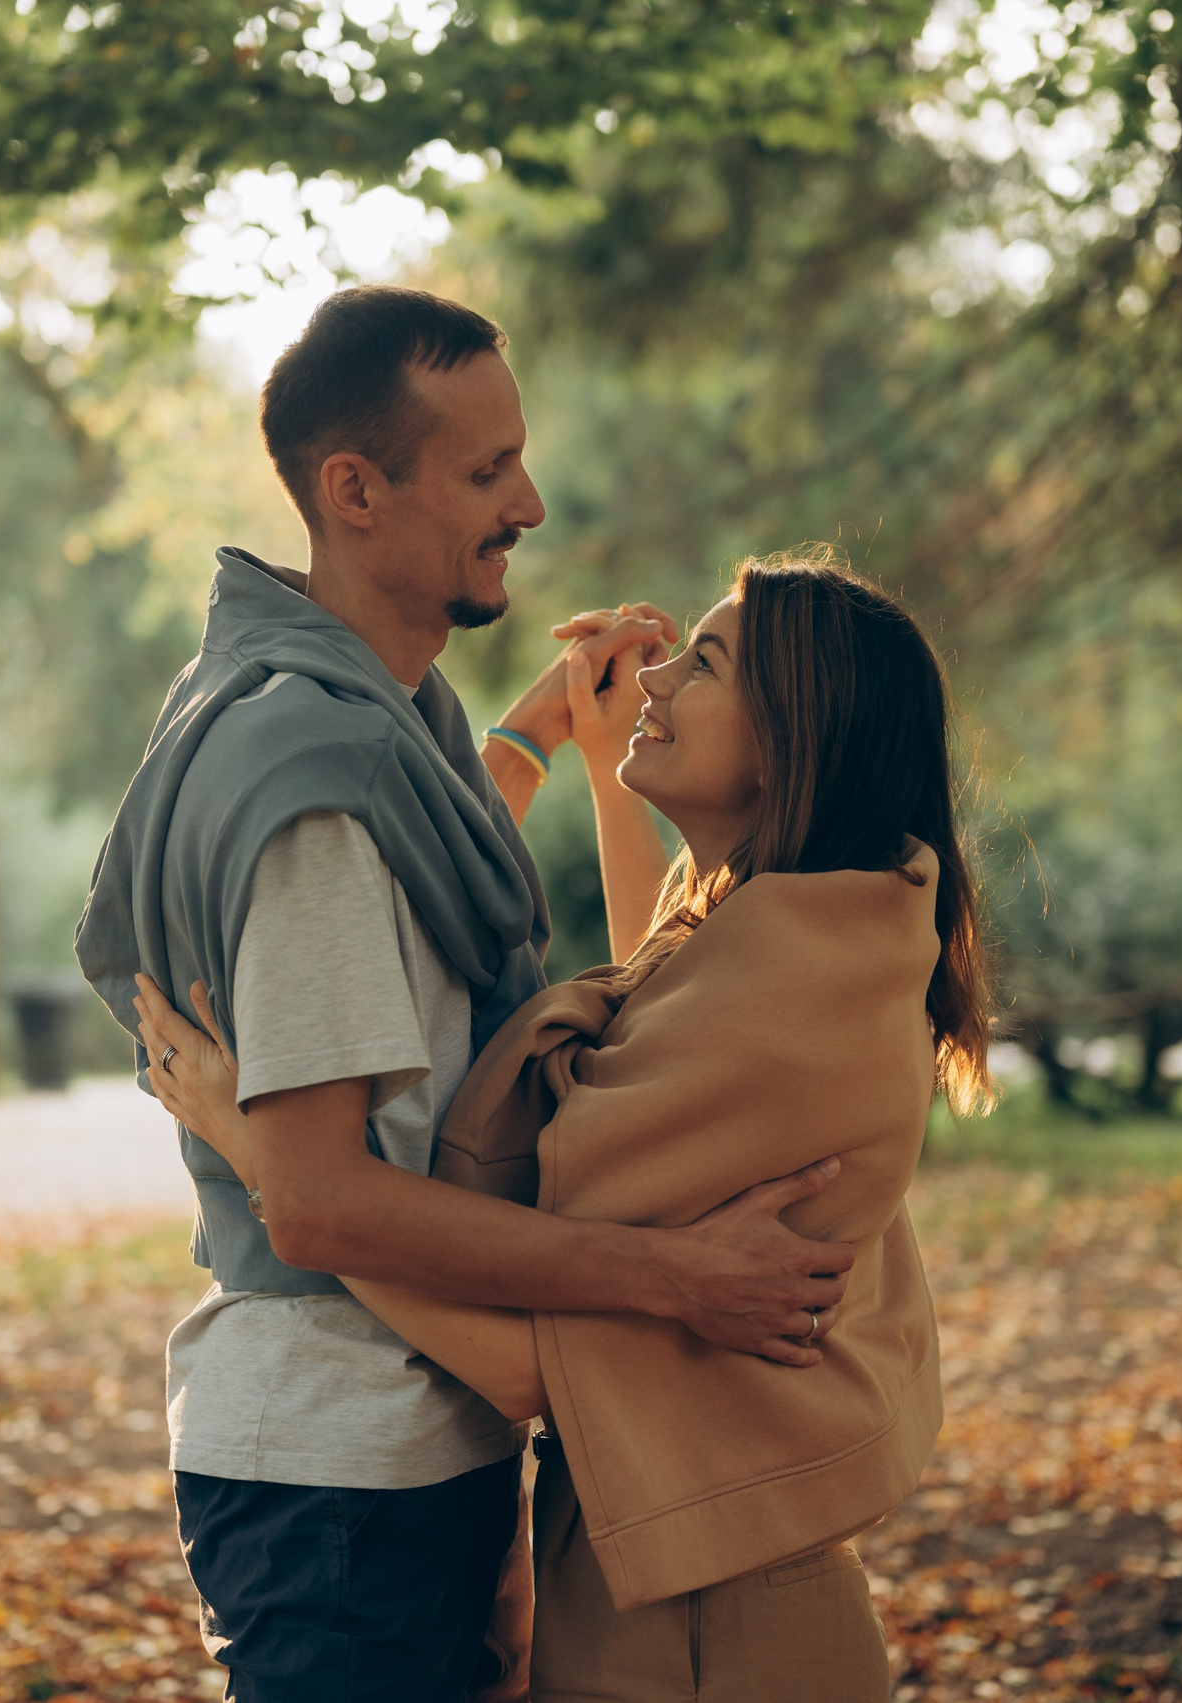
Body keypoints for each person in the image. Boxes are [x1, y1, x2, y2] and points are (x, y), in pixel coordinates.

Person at [75, 287, 863, 1703]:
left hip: (404, 1454)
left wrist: (536, 732)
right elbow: (316, 1198)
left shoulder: (369, 725)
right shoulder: (317, 790)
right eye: (487, 471)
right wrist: (681, 1276)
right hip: (343, 1475)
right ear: (355, 490)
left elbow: (427, 892)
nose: (532, 503)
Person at [137, 551, 994, 1701]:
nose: (656, 680)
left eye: (706, 662)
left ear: (801, 729)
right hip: (700, 1588)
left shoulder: (795, 994)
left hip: (706, 1634)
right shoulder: (822, 938)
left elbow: (516, 1361)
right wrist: (573, 759)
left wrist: (268, 1157)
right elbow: (661, 1006)